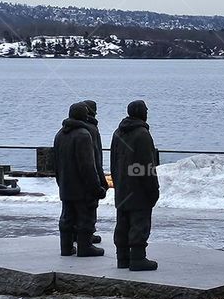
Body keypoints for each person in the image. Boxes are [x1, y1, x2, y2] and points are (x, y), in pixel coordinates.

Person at [110, 99, 160, 271]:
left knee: (122, 222)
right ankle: (138, 258)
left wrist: (117, 183)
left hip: (123, 186)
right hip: (138, 188)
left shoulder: (118, 133)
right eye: (145, 109)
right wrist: (153, 189)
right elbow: (147, 165)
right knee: (139, 222)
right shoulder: (142, 135)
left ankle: (122, 258)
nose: (147, 112)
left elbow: (113, 162)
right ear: (140, 112)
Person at [53, 106, 107, 258]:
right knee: (85, 218)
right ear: (84, 116)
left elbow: (55, 163)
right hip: (82, 188)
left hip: (65, 185)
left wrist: (60, 182)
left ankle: (66, 247)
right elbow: (87, 166)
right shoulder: (83, 135)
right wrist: (96, 188)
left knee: (67, 217)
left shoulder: (60, 135)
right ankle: (85, 247)